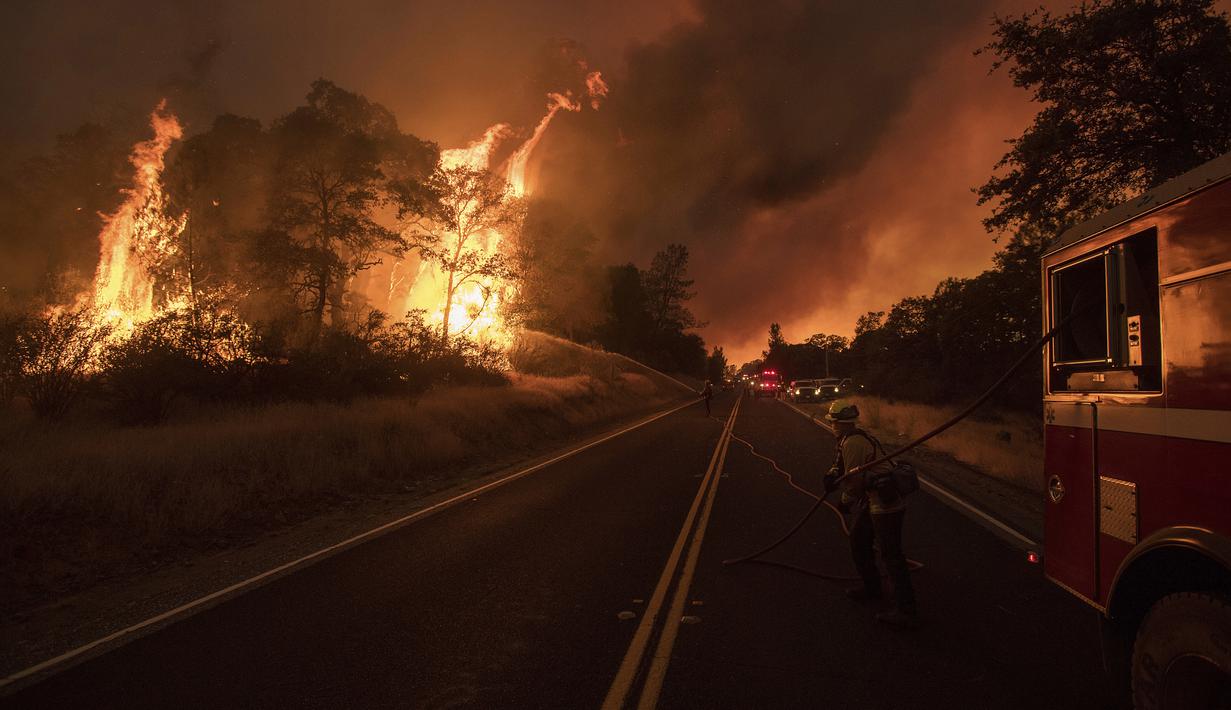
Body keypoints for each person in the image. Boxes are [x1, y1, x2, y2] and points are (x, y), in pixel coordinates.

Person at [822, 400, 917, 628]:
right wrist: (831, 476)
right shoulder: (848, 439)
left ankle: (907, 611)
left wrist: (844, 501)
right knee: (859, 542)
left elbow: (854, 483)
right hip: (871, 501)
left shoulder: (853, 443)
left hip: (885, 504)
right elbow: (842, 468)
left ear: (841, 423)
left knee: (891, 555)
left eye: (834, 422)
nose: (832, 426)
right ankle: (873, 588)